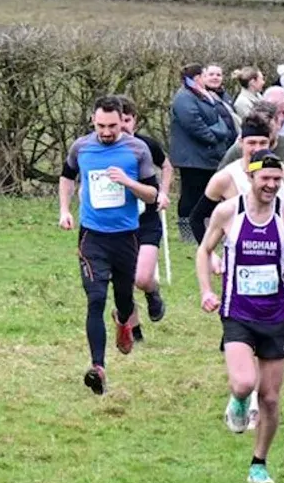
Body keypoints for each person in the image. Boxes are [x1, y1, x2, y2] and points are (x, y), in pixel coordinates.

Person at [197, 153, 284, 483]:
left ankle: (259, 464)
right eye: (265, 178)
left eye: (277, 180)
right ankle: (238, 400)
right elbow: (204, 250)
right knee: (243, 383)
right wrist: (206, 290)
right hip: (237, 312)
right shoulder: (228, 212)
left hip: (276, 315)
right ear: (251, 178)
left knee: (269, 397)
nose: (271, 185)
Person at [59, 96, 159, 396]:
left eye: (112, 126)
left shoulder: (137, 149)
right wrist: (64, 210)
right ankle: (98, 367)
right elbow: (66, 177)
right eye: (100, 125)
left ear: (122, 121)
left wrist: (129, 183)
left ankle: (123, 320)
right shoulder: (81, 147)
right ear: (93, 120)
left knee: (124, 301)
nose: (106, 132)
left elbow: (153, 195)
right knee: (95, 298)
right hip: (92, 237)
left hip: (127, 237)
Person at [115, 97, 172, 325]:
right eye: (118, 121)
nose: (123, 126)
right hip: (118, 221)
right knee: (124, 281)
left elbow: (166, 166)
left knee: (141, 278)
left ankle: (152, 291)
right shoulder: (102, 149)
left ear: (135, 121)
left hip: (146, 218)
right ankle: (133, 329)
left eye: (127, 120)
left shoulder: (146, 145)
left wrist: (163, 193)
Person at [169, 62, 236, 243]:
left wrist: (218, 133)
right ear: (198, 77)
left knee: (205, 191)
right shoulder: (184, 97)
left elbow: (216, 118)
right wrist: (214, 137)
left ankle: (205, 227)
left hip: (205, 154)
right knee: (191, 192)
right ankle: (187, 231)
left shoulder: (201, 95)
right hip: (191, 156)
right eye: (205, 75)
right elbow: (194, 123)